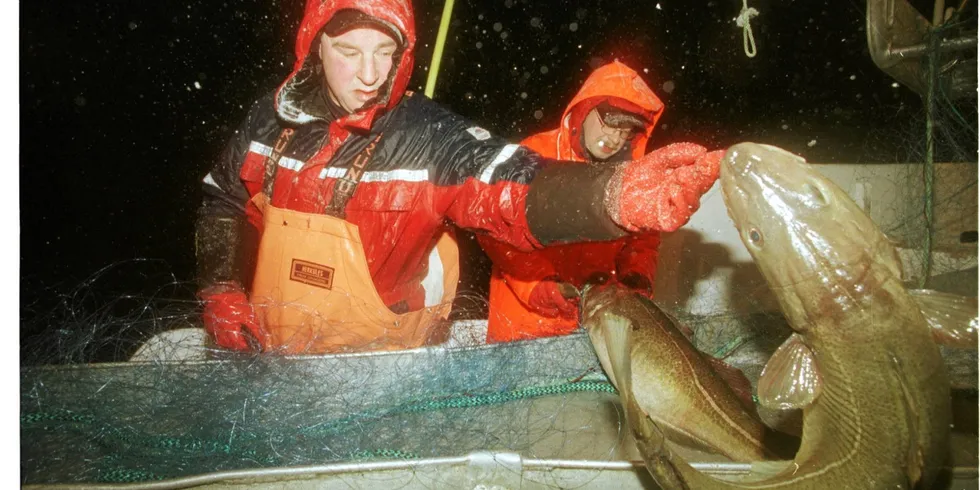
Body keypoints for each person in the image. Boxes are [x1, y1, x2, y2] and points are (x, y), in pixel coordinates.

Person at [195, 0, 722, 355]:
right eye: (349, 52)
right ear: (314, 48)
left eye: (385, 53)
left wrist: (612, 195)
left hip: (386, 356)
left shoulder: (429, 136)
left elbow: (508, 182)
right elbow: (220, 199)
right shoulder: (268, 122)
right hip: (273, 344)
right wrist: (219, 287)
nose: (370, 74)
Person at [478, 61, 668, 343]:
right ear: (585, 109)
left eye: (627, 130)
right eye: (611, 122)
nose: (615, 138)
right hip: (522, 329)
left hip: (596, 328)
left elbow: (643, 239)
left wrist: (636, 278)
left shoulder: (631, 177)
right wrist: (541, 285)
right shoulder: (532, 156)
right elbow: (494, 231)